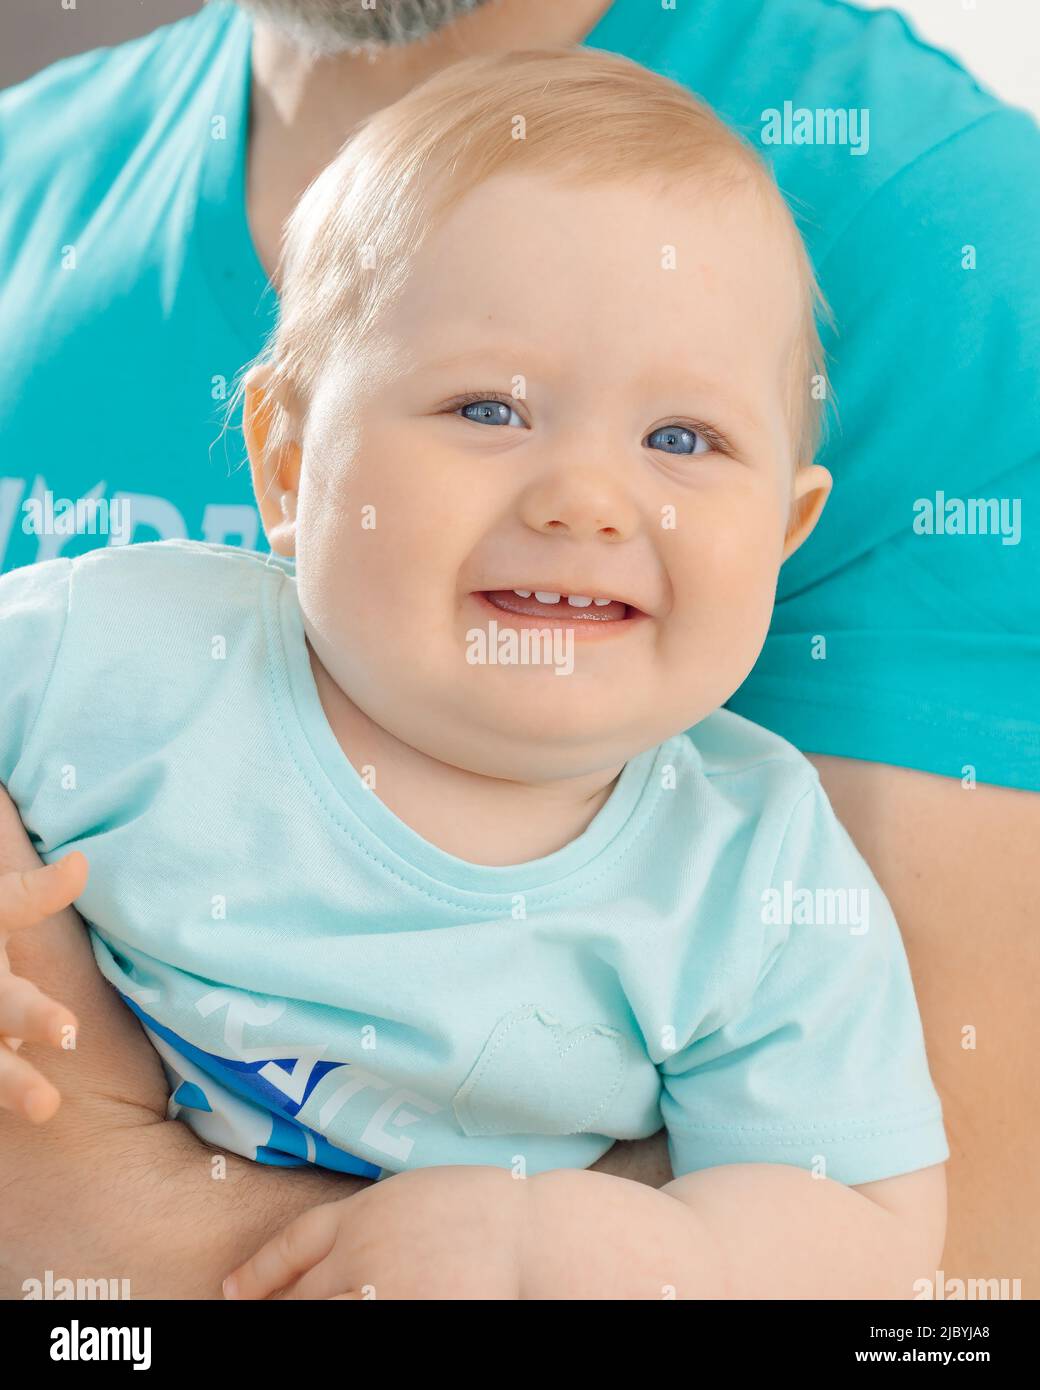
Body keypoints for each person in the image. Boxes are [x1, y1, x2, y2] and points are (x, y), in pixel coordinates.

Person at [0, 0, 1036, 1297]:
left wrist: (590, 1251)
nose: (583, 499)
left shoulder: (751, 877)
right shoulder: (124, 641)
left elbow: (881, 1243)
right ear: (287, 455)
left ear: (786, 527)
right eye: (488, 408)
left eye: (681, 441)